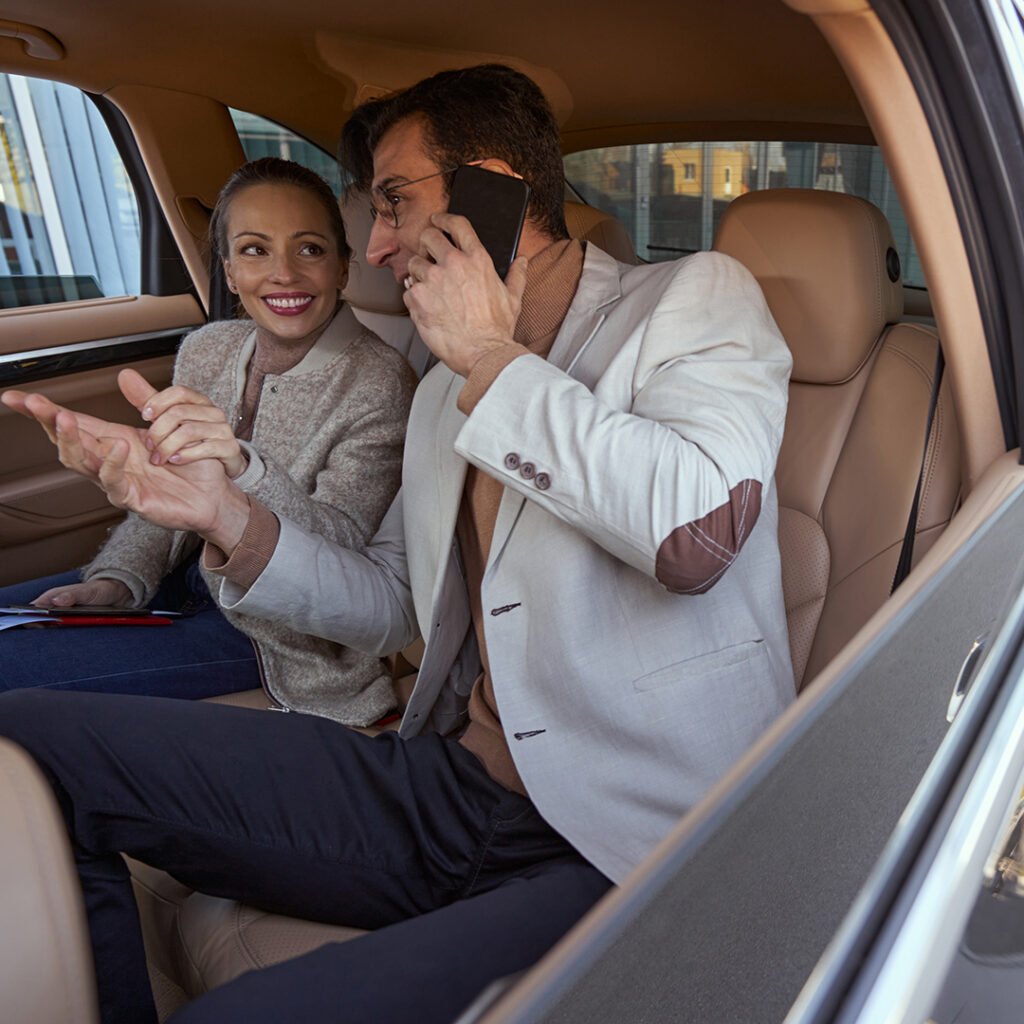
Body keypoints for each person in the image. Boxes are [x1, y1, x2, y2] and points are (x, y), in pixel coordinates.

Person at [0, 65, 794, 1024]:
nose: (372, 247)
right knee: (32, 739)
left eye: (394, 201)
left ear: (494, 188)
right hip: (454, 788)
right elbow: (387, 604)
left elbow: (695, 535)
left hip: (629, 834)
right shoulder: (433, 397)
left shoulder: (690, 300)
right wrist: (221, 514)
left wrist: (491, 360)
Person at [0, 157, 416, 724]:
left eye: (310, 249)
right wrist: (118, 580)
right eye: (254, 249)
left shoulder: (378, 381)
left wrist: (243, 470)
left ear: (343, 266)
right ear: (227, 271)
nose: (284, 274)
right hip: (179, 583)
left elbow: (345, 551)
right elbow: (166, 499)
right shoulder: (207, 349)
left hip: (276, 638)